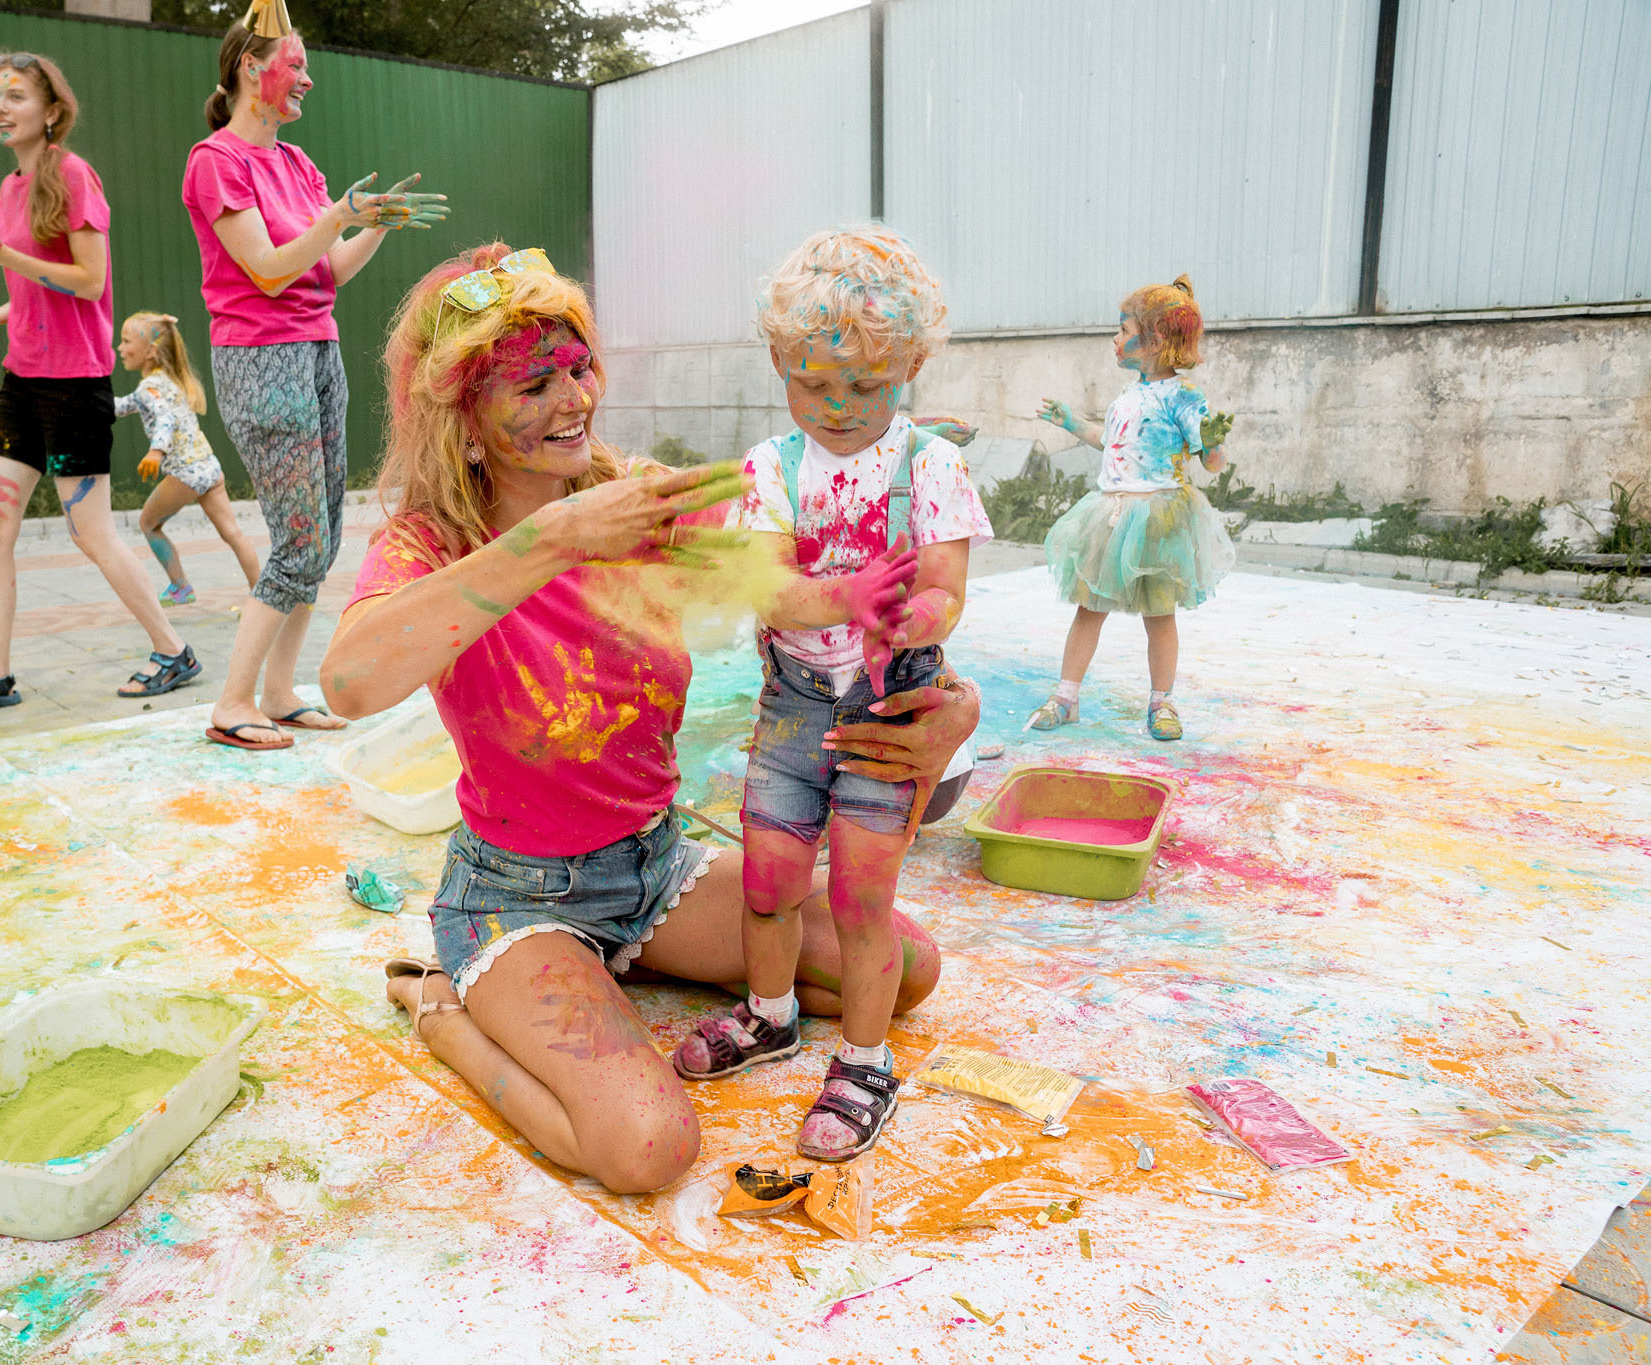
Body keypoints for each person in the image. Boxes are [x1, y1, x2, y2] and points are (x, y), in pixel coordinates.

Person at [320, 245, 981, 1194]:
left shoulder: (642, 497)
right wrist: (548, 542)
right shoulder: (432, 539)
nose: (573, 399)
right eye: (534, 382)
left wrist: (950, 702)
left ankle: (635, 964)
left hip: (656, 865)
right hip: (519, 897)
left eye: (580, 367)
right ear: (462, 419)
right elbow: (348, 682)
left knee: (905, 965)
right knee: (648, 1149)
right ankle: (442, 1003)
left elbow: (814, 590)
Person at [668, 228, 989, 1164]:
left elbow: (946, 589)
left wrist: (913, 621)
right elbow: (771, 588)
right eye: (816, 384)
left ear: (911, 368)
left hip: (886, 713)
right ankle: (770, 1015)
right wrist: (849, 597)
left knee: (859, 898)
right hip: (794, 706)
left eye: (868, 387)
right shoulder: (770, 467)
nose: (841, 408)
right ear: (779, 362)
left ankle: (864, 1060)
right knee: (767, 879)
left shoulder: (930, 465)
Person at [184, 8, 447, 750]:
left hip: (316, 348)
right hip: (262, 358)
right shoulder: (216, 161)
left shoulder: (298, 165)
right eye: (294, 64)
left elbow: (325, 270)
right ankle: (232, 702)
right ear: (248, 68)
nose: (305, 78)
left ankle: (277, 689)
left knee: (321, 536)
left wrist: (372, 225)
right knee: (299, 539)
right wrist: (338, 217)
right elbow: (268, 270)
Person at [0, 51, 198, 716]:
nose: (1, 107)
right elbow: (30, 287)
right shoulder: (8, 188)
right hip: (21, 380)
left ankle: (173, 649)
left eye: (16, 95)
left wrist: (0, 255)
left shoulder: (75, 176)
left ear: (52, 110)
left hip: (76, 383)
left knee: (92, 534)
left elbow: (88, 281)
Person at [1031, 274, 1235, 741]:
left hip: (1159, 519)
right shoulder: (1128, 394)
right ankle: (1067, 696)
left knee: (1160, 616)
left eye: (1123, 331)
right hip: (1111, 516)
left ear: (1154, 340)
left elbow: (1213, 461)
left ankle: (1162, 702)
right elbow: (1112, 444)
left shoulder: (1185, 397)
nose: (1116, 339)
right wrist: (1071, 422)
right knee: (1088, 606)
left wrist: (1214, 443)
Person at [114, 310, 260, 609]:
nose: (120, 348)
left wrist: (157, 451)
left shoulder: (150, 387)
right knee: (233, 533)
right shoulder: (170, 380)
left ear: (150, 353)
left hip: (186, 472)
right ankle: (263, 594)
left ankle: (180, 587)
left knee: (148, 524)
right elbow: (124, 406)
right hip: (209, 467)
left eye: (126, 341)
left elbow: (165, 418)